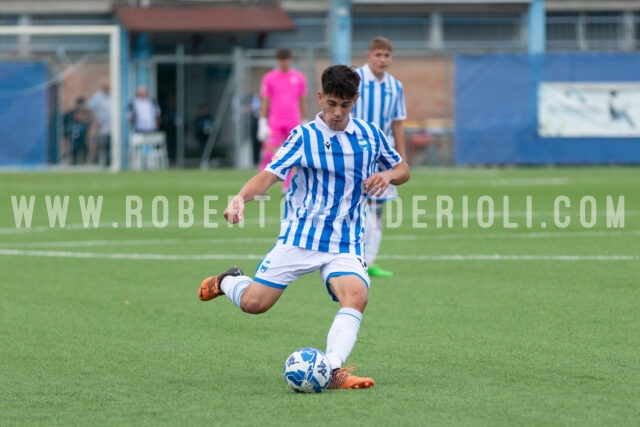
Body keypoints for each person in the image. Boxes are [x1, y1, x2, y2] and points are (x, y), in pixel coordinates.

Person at [197, 65, 410, 389]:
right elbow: (268, 176)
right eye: (332, 104)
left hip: (346, 241)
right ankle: (229, 281)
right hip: (301, 237)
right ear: (320, 97)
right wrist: (240, 198)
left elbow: (402, 167)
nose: (337, 113)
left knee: (356, 297)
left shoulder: (370, 135)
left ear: (355, 100)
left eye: (345, 105)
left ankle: (334, 369)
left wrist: (388, 175)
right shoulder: (304, 136)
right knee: (255, 304)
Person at [352, 36, 408, 278]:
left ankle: (368, 261)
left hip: (381, 156)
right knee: (350, 206)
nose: (382, 60)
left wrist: (401, 157)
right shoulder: (355, 80)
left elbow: (397, 123)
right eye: (378, 55)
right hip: (353, 152)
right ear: (369, 56)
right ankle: (345, 258)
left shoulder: (395, 87)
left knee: (376, 210)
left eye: (386, 56)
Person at [257, 48, 308, 192]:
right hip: (275, 121)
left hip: (293, 121)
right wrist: (262, 121)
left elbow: (302, 100)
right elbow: (265, 100)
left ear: (290, 60)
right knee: (268, 153)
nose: (284, 62)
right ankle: (261, 186)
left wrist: (305, 119)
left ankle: (287, 186)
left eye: (286, 59)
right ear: (277, 61)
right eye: (281, 60)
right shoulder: (269, 78)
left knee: (292, 154)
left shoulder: (299, 78)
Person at [86, 82, 111, 166]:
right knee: (100, 146)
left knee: (110, 147)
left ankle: (109, 163)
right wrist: (95, 121)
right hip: (101, 128)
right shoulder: (98, 97)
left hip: (112, 128)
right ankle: (97, 164)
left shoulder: (114, 96)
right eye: (107, 87)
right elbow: (89, 108)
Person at [63, 96, 91, 165]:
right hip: (74, 139)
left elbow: (88, 125)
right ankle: (73, 163)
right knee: (74, 153)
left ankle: (83, 163)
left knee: (84, 150)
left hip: (82, 139)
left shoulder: (86, 115)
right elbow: (65, 127)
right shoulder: (70, 115)